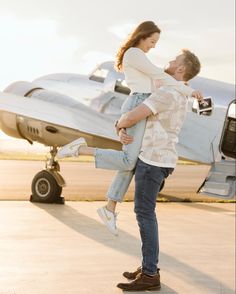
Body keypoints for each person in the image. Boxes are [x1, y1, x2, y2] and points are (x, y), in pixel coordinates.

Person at [57, 21, 202, 235]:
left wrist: (123, 123)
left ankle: (110, 207)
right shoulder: (134, 53)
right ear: (142, 36)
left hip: (139, 103)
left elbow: (159, 82)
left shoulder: (140, 56)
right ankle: (80, 150)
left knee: (131, 163)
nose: (153, 46)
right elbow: (161, 77)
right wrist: (188, 91)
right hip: (138, 103)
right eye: (152, 41)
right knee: (128, 161)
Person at [116, 49, 201, 291]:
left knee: (145, 214)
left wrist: (120, 123)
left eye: (174, 60)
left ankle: (150, 274)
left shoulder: (168, 92)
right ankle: (148, 266)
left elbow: (135, 115)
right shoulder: (179, 94)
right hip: (162, 160)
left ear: (181, 69)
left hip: (152, 161)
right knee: (146, 214)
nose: (170, 61)